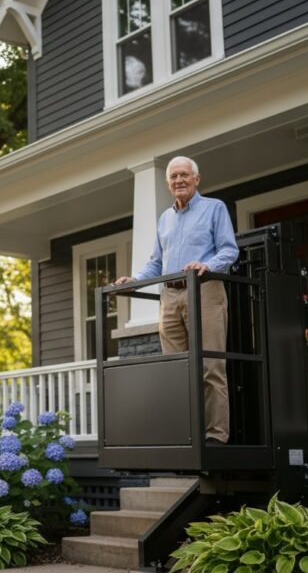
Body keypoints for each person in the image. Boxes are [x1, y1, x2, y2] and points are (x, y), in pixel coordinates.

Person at [114, 156, 238, 444]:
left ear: (196, 179)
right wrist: (135, 280)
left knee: (211, 366)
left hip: (204, 289)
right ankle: (186, 434)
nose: (179, 180)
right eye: (173, 176)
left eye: (184, 174)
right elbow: (156, 263)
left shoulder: (214, 208)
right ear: (167, 183)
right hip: (169, 296)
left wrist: (207, 264)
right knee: (176, 370)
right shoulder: (164, 219)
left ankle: (215, 436)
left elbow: (229, 251)